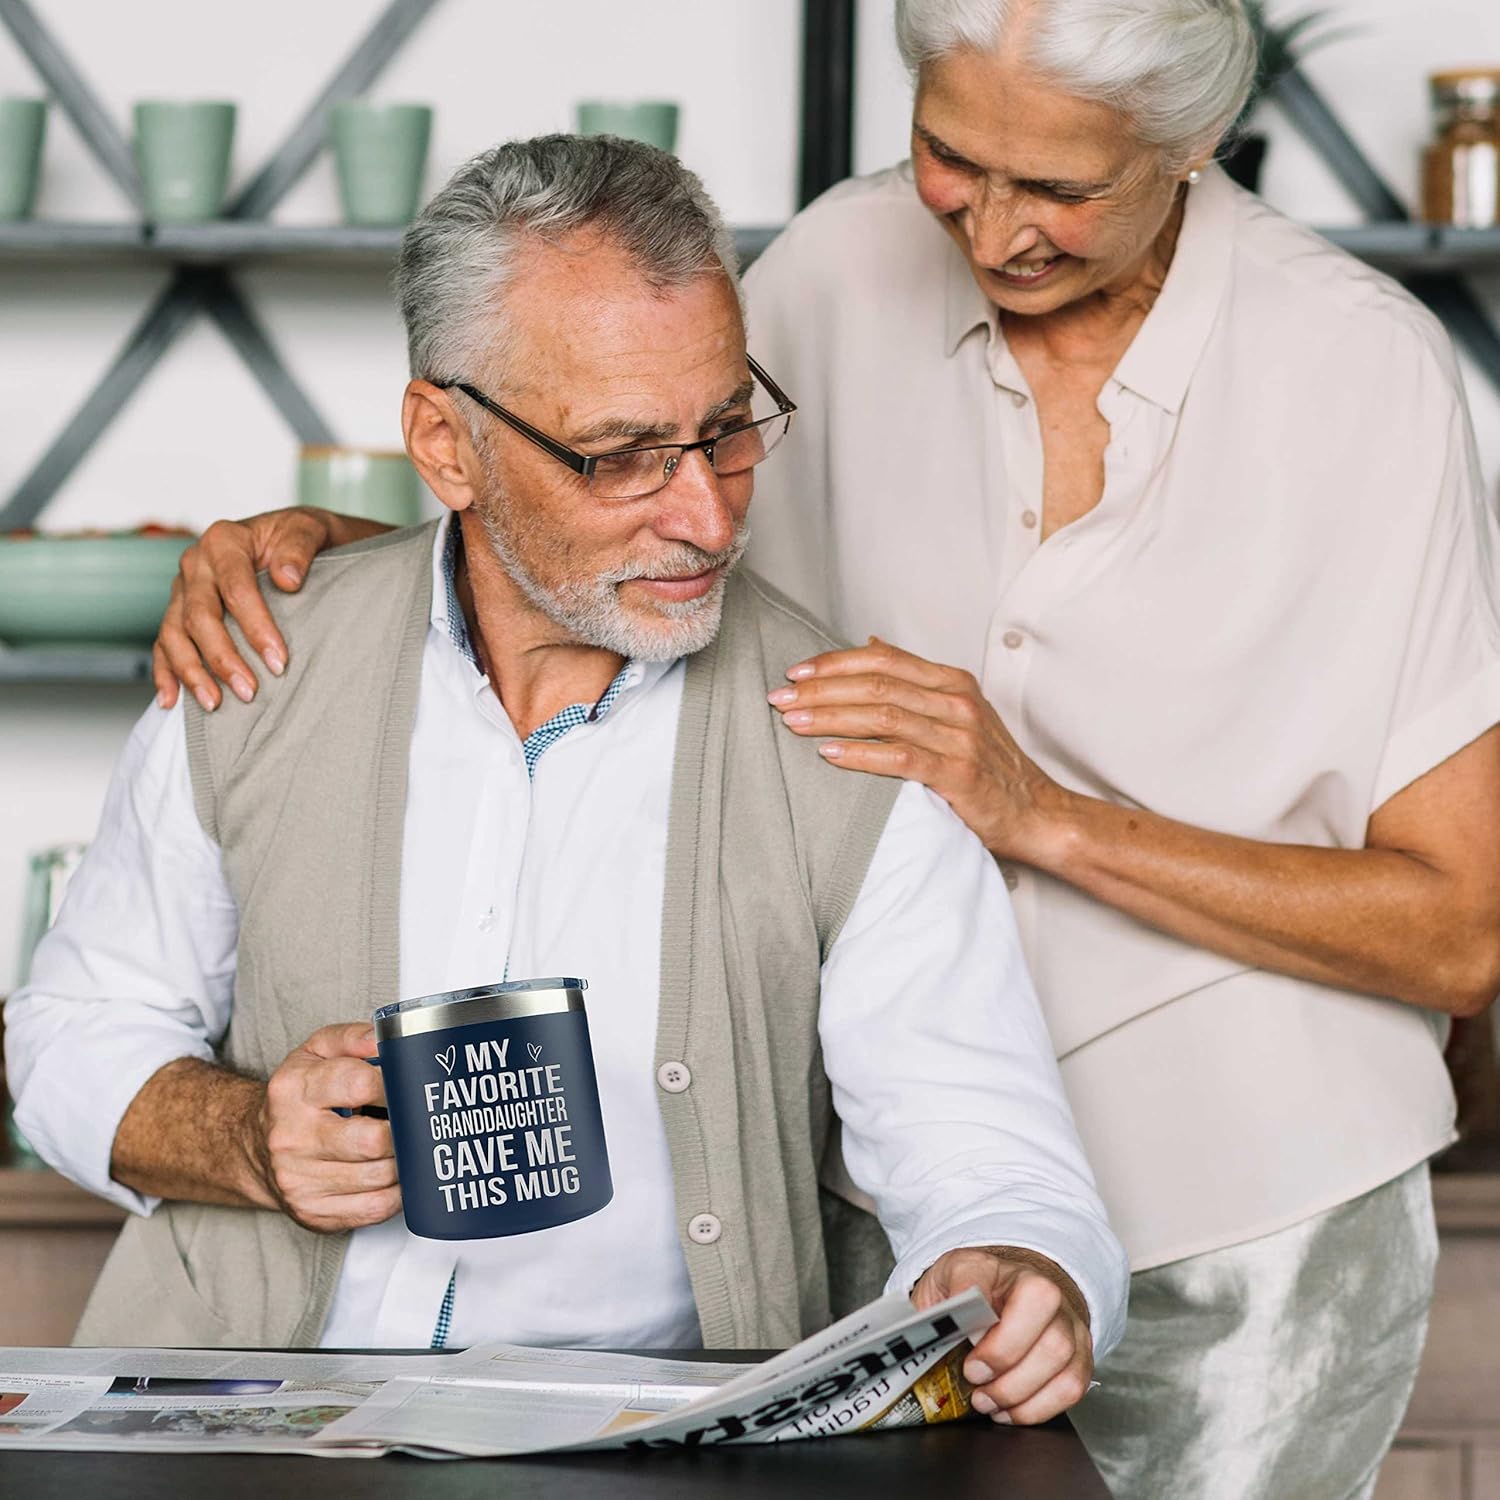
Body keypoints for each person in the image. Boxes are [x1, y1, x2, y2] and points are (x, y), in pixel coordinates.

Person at [143, 3, 1500, 1496]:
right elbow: (611, 489)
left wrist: (1039, 812)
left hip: (1253, 1223)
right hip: (876, 1223)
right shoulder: (829, 278)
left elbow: (1458, 928)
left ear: (1188, 151)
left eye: (1057, 189)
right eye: (949, 157)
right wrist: (362, 565)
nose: (993, 229)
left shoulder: (1365, 370)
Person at [5, 134, 1129, 1426]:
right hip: (225, 1427)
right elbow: (69, 1033)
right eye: (620, 455)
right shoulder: (257, 658)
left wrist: (1027, 1266)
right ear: (445, 442)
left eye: (727, 430)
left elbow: (984, 1146)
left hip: (646, 1448)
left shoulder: (857, 739)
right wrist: (246, 1138)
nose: (706, 516)